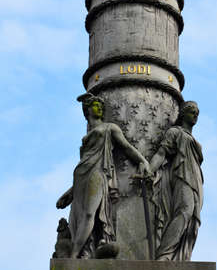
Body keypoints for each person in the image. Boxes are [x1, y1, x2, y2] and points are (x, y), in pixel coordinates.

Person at [56, 93, 151, 259]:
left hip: (98, 173)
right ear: (87, 111)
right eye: (95, 105)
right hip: (81, 175)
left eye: (101, 106)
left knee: (89, 214)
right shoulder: (86, 136)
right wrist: (69, 193)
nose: (99, 108)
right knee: (77, 217)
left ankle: (74, 255)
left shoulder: (109, 128)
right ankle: (85, 250)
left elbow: (127, 147)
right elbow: (86, 158)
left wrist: (143, 161)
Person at [150, 101, 204, 261]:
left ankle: (181, 256)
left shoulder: (194, 141)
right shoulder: (175, 132)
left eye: (197, 113)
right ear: (182, 114)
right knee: (184, 211)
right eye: (191, 111)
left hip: (196, 179)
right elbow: (161, 153)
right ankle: (165, 253)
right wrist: (149, 169)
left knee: (193, 218)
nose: (195, 115)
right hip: (182, 175)